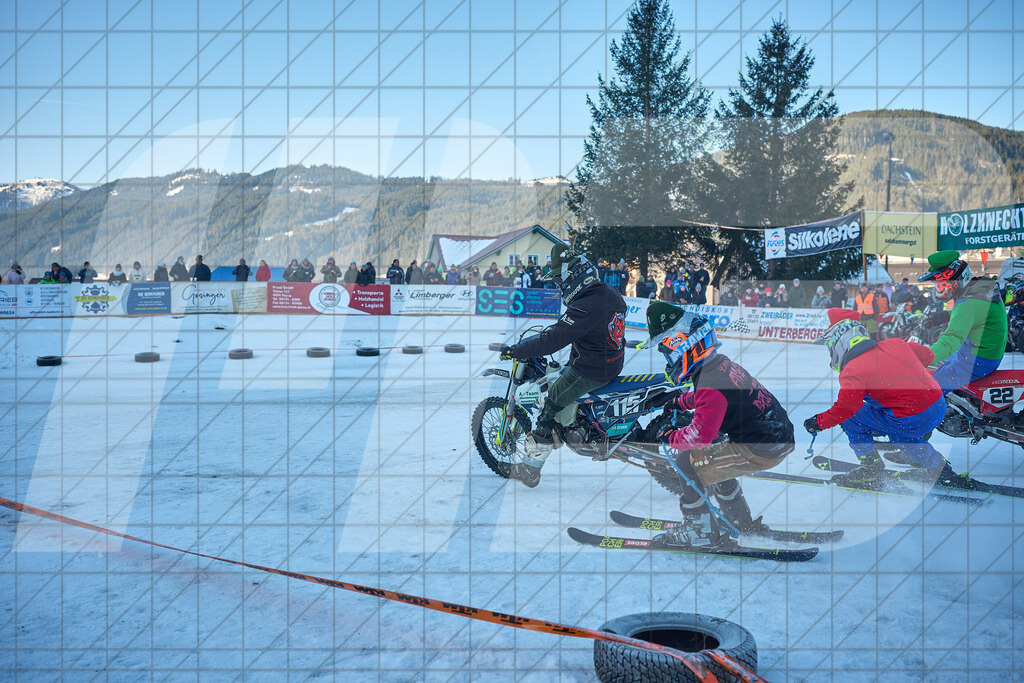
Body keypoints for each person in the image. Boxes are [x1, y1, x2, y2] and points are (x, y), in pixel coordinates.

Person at [649, 304, 795, 547]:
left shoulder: (709, 381)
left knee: (687, 462)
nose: (669, 361)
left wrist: (670, 436)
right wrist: (680, 401)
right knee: (712, 458)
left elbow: (699, 435)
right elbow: (716, 398)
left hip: (761, 447)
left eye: (670, 354)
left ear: (686, 347)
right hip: (776, 436)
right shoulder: (720, 365)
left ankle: (700, 530)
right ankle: (738, 520)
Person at [500, 246, 627, 488]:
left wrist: (517, 350)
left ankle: (530, 470)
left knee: (548, 406)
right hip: (612, 361)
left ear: (574, 277)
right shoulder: (610, 294)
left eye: (560, 280)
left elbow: (552, 340)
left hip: (591, 370)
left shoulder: (585, 306)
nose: (560, 285)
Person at [803, 309, 955, 486]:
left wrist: (817, 422)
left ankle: (873, 468)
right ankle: (936, 464)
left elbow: (845, 409)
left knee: (859, 420)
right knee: (897, 424)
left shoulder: (852, 371)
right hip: (938, 405)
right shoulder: (895, 343)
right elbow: (928, 355)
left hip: (912, 417)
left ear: (838, 342)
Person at [917, 250, 1007, 394]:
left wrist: (922, 358)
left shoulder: (967, 303)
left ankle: (936, 407)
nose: (939, 290)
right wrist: (945, 315)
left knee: (929, 390)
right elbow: (976, 315)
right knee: (939, 364)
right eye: (937, 286)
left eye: (941, 285)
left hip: (976, 361)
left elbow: (950, 341)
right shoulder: (981, 288)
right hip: (987, 354)